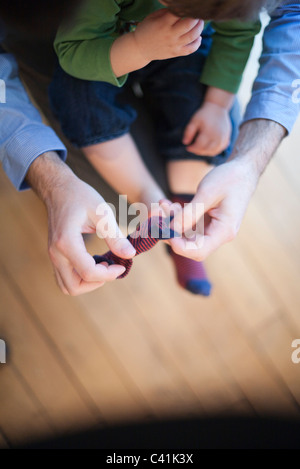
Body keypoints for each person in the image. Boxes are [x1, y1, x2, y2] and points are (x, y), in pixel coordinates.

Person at [1, 1, 299, 297]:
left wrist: (216, 105)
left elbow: (241, 33)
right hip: (103, 53)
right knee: (80, 107)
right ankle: (151, 205)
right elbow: (74, 51)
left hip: (182, 51)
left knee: (206, 129)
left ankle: (178, 222)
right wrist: (140, 48)